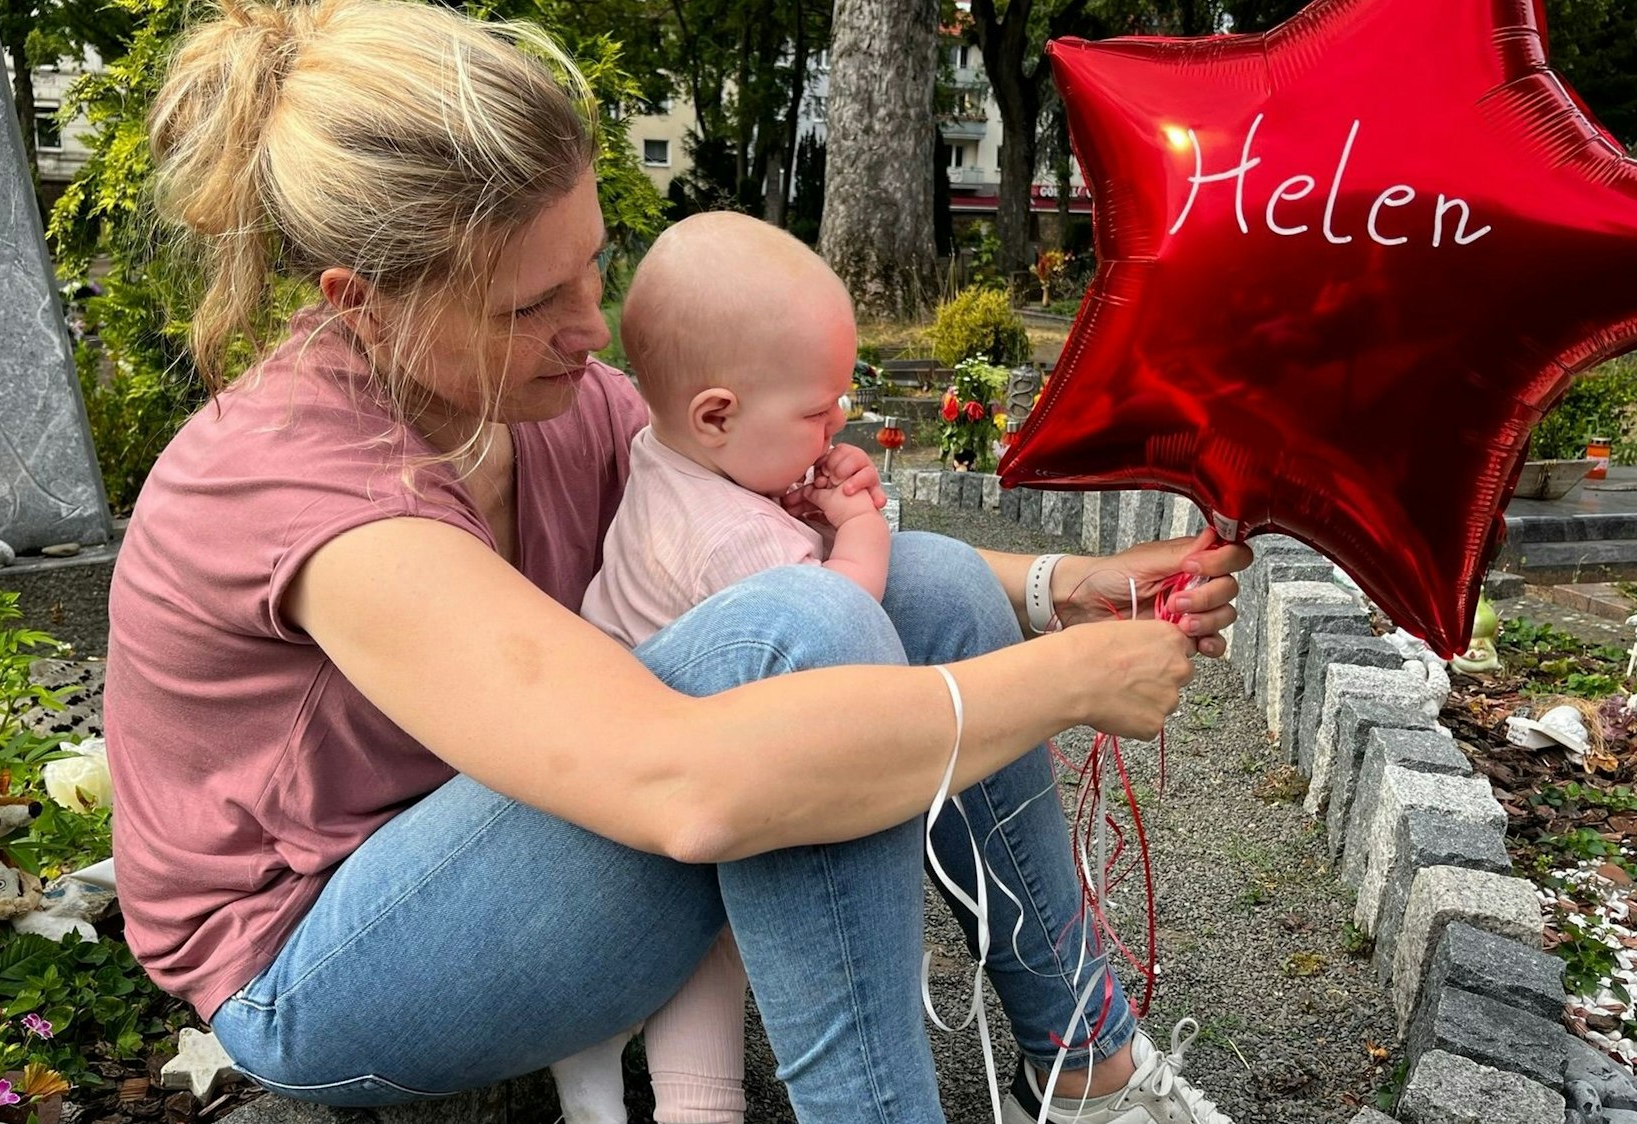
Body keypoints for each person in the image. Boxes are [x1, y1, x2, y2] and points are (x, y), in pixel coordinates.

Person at [103, 3, 1253, 1123]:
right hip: (319, 963)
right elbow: (691, 785)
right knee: (806, 641)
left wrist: (1059, 590)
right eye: (534, 302)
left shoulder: (526, 391)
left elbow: (794, 545)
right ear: (360, 306)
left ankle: (1091, 1067)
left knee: (933, 590)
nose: (594, 328)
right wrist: (1068, 681)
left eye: (594, 265)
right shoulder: (309, 488)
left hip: (508, 832)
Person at [559, 212, 894, 1123]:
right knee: (720, 938)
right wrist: (858, 530)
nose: (838, 423)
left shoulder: (665, 454)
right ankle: (697, 1107)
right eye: (817, 411)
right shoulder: (735, 535)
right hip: (670, 790)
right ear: (716, 415)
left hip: (611, 754)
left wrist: (796, 491)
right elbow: (834, 622)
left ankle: (592, 1062)